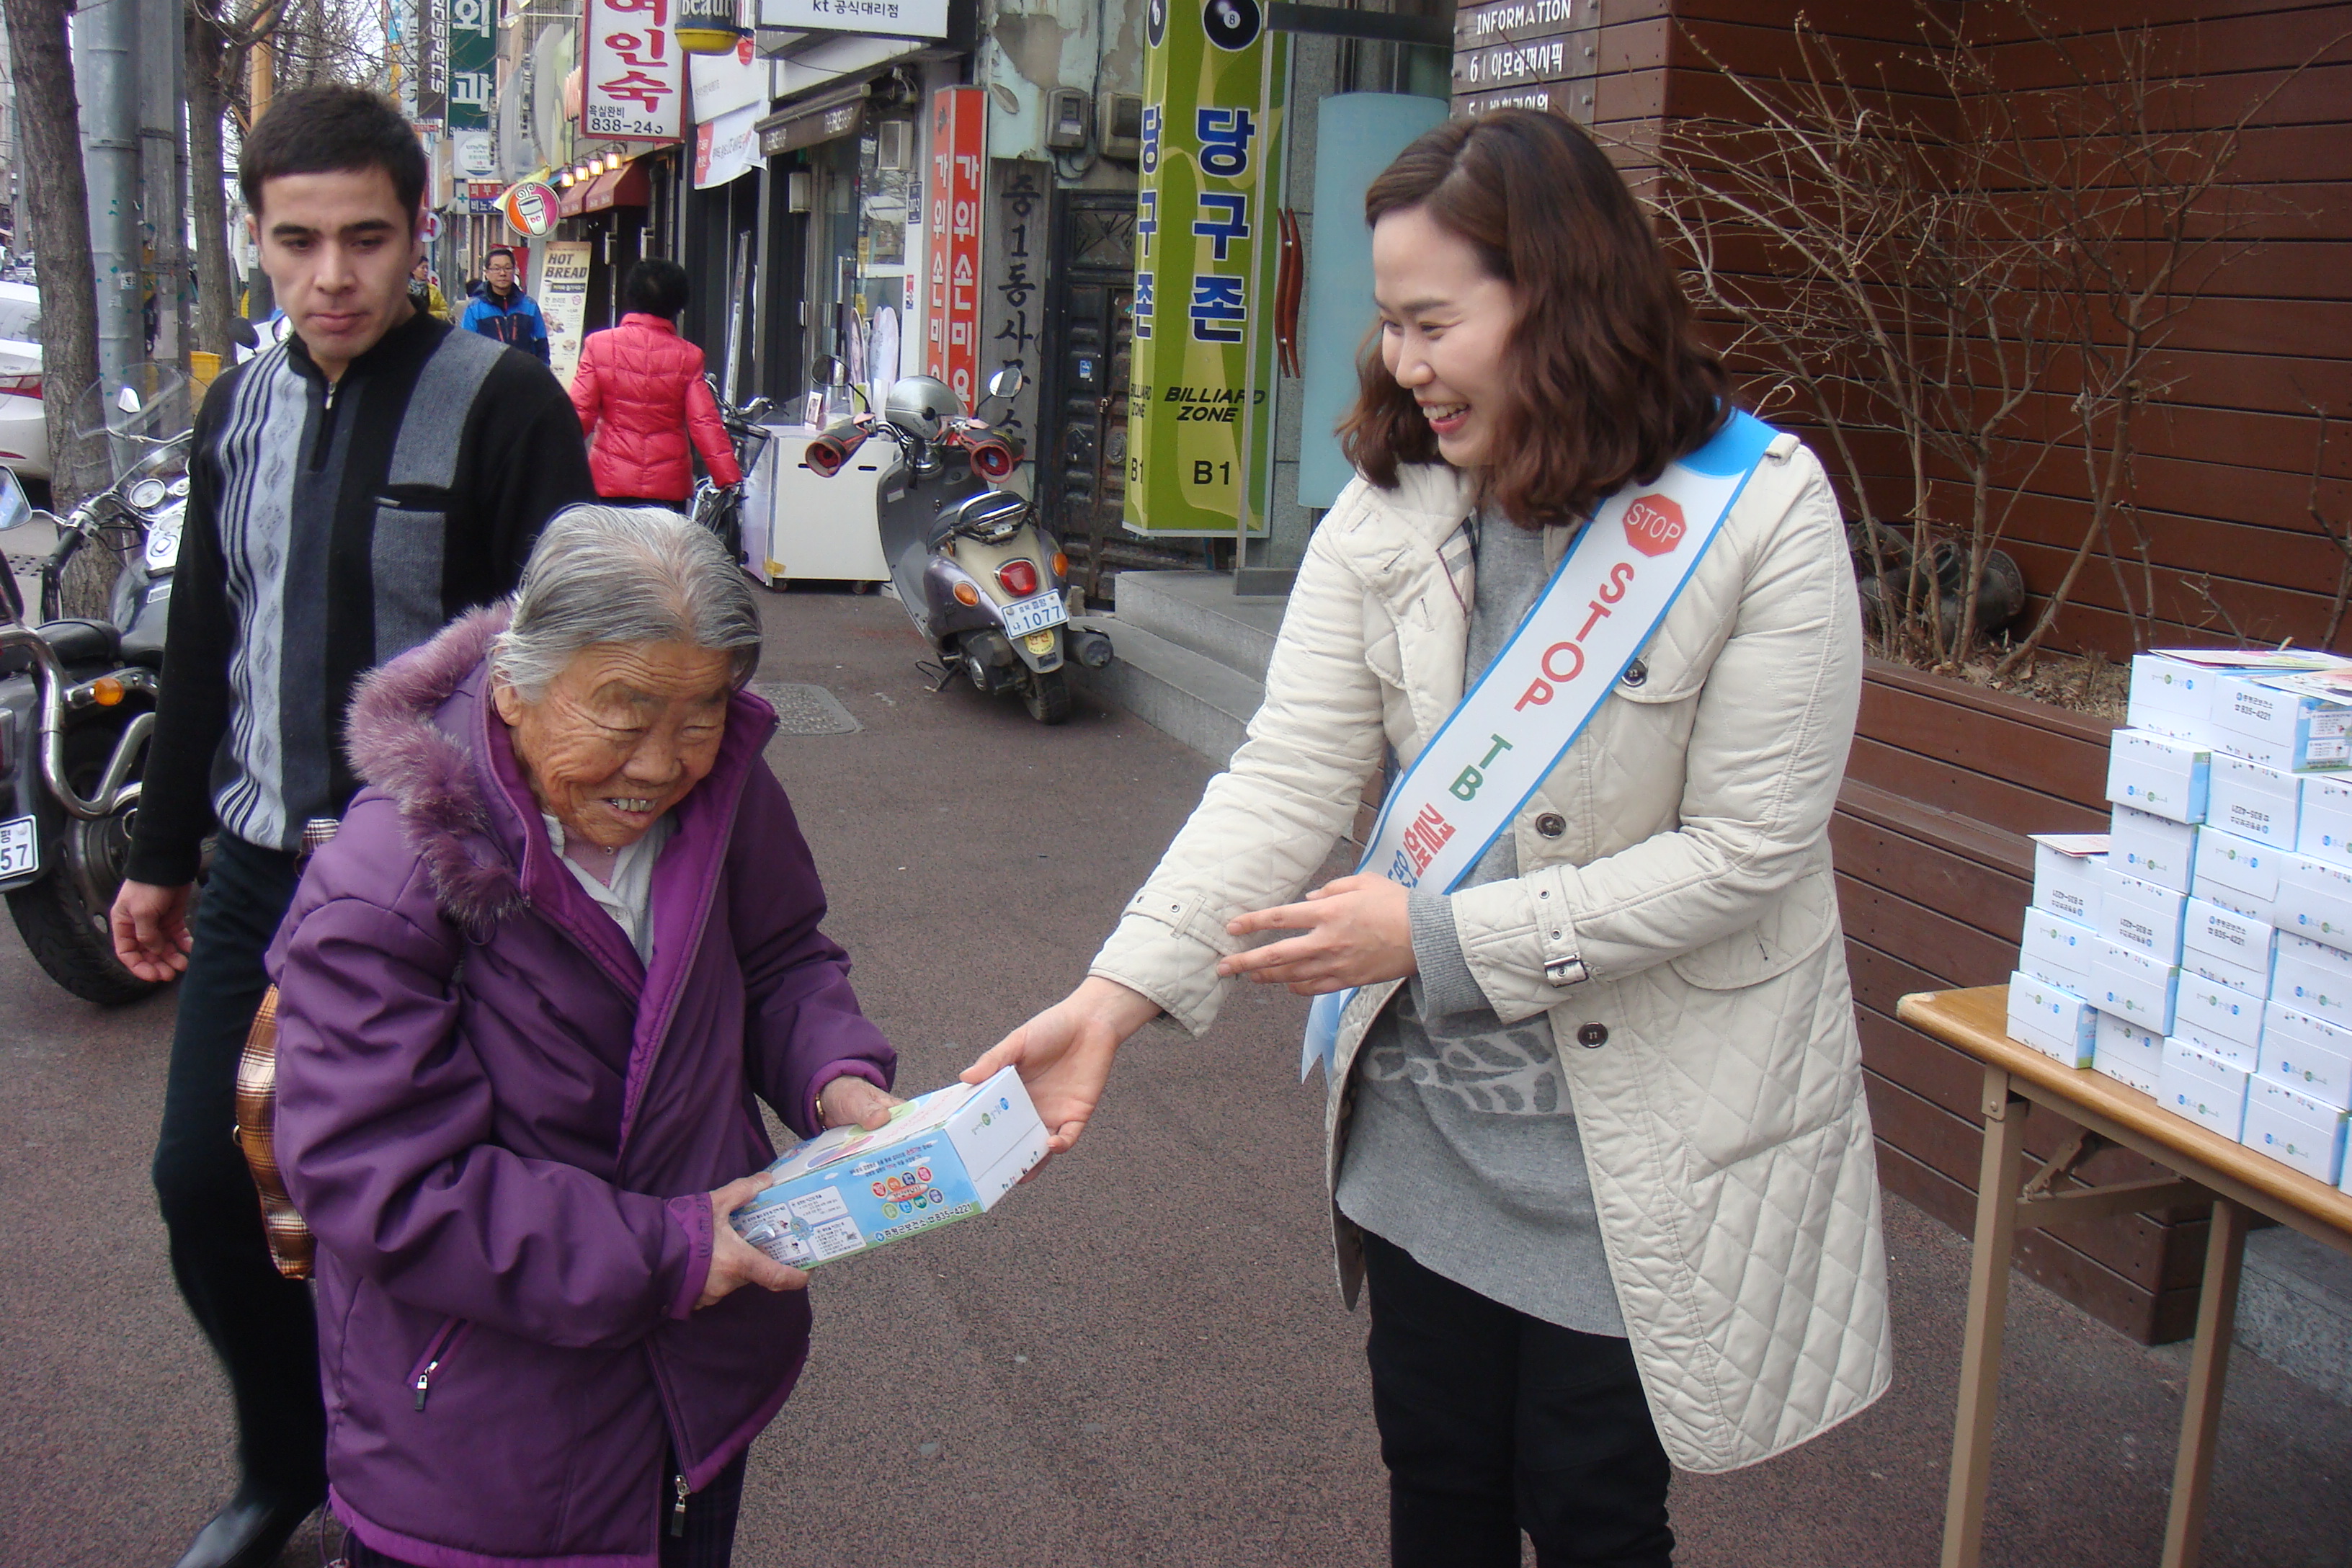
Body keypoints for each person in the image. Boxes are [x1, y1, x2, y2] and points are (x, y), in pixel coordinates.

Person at [968, 110, 1892, 1567]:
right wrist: (1113, 996)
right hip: (1424, 1138)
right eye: (1387, 321)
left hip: (1634, 1148)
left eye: (1429, 320)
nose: (1398, 360)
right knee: (1440, 1491)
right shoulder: (1394, 499)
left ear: (1561, 296)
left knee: (1595, 1511)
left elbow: (1748, 850)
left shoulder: (1755, 510)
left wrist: (1442, 938)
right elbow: (1288, 771)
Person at [109, 84, 597, 1568]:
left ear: (415, 237)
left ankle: (450, 1471)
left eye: (367, 240)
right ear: (257, 240)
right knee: (205, 1180)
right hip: (261, 866)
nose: (334, 277)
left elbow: (566, 646)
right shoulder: (237, 404)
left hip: (443, 887)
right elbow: (209, 630)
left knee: (438, 1192)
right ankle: (287, 1456)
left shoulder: (502, 401)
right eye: (299, 241)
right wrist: (156, 850)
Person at [270, 505, 898, 1567]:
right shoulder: (385, 886)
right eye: (623, 711)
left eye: (703, 714)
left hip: (693, 1376)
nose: (662, 765)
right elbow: (389, 1184)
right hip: (479, 1423)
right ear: (514, 684)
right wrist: (681, 1245)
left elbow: (782, 955)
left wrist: (839, 1077)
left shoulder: (726, 794)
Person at [569, 258, 743, 509]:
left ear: (632, 296)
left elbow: (579, 414)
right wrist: (727, 476)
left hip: (610, 480)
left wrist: (553, 466)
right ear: (677, 305)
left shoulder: (599, 346)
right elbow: (704, 422)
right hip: (667, 487)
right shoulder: (688, 356)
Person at [460, 245, 551, 361]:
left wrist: (542, 374)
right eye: (496, 269)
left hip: (524, 375)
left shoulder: (529, 306)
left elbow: (542, 344)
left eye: (508, 268)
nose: (502, 273)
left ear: (514, 271)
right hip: (489, 376)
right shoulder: (475, 309)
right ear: (487, 273)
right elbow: (467, 347)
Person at [408, 254, 450, 321]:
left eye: (427, 268)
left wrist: (430, 315)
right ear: (413, 270)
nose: (426, 271)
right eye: (423, 268)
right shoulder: (406, 290)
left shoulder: (433, 290)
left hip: (431, 327)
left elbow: (445, 311)